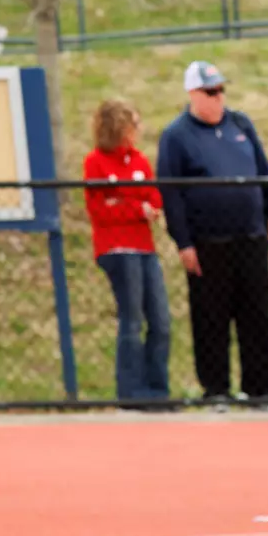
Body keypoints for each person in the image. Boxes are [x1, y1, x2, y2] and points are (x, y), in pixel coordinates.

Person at [156, 60, 268, 409]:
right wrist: (183, 242)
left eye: (220, 90)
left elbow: (263, 171)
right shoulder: (177, 135)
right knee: (211, 318)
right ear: (193, 95)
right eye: (210, 92)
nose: (218, 98)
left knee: (256, 315)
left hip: (250, 238)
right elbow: (171, 194)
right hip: (207, 243)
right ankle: (216, 390)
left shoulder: (241, 123)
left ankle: (260, 391)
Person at [84, 99, 170, 405]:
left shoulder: (139, 161)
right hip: (117, 249)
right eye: (133, 124)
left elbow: (155, 200)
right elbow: (99, 210)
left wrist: (121, 203)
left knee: (160, 321)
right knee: (131, 319)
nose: (138, 130)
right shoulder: (95, 162)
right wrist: (137, 208)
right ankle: (131, 392)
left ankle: (158, 390)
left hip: (144, 247)